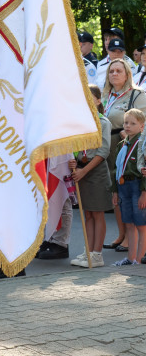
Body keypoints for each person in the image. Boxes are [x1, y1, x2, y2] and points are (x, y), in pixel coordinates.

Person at [102, 59, 146, 251]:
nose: (114, 74)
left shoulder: (137, 95)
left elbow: (143, 123)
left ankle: (132, 238)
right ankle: (121, 234)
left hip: (130, 147)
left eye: (119, 71)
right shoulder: (107, 95)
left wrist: (132, 134)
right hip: (110, 146)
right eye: (111, 71)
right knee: (117, 191)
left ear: (128, 74)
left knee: (131, 192)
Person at [68, 84, 111, 268]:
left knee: (98, 213)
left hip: (96, 171)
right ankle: (88, 250)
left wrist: (84, 170)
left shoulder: (103, 122)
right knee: (88, 215)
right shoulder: (81, 123)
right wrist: (74, 162)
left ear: (98, 100)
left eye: (89, 97)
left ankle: (97, 254)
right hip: (82, 171)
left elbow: (103, 151)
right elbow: (78, 149)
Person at [112, 108, 146, 266]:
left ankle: (139, 260)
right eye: (126, 122)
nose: (128, 126)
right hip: (123, 186)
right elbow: (116, 169)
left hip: (138, 186)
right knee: (129, 224)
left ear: (142, 126)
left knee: (141, 225)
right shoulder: (121, 145)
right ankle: (130, 257)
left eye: (133, 123)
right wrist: (115, 190)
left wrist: (144, 193)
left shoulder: (142, 145)